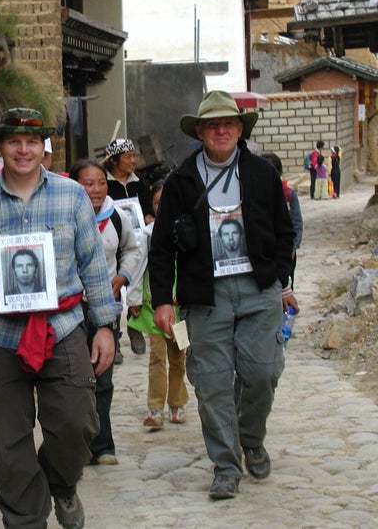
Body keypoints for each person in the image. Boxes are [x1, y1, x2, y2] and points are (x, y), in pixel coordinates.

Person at [0, 107, 121, 529]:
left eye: (31, 142)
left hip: (62, 328)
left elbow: (93, 265)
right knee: (7, 439)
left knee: (77, 423)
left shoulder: (71, 195)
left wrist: (104, 328)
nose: (23, 150)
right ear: (1, 145)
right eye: (13, 142)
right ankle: (26, 518)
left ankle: (60, 486)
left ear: (44, 146)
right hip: (0, 334)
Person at [149, 90, 299, 500]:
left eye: (228, 123)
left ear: (239, 129)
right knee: (212, 383)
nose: (221, 130)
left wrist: (280, 278)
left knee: (262, 373)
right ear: (199, 131)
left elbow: (285, 231)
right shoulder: (181, 181)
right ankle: (226, 466)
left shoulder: (261, 173)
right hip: (205, 295)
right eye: (212, 124)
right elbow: (161, 246)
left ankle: (250, 438)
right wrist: (163, 298)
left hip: (258, 289)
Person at [69, 158, 141, 465]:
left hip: (105, 307)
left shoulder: (117, 217)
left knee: (103, 376)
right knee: (74, 378)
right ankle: (76, 444)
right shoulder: (65, 217)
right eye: (88, 184)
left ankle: (103, 444)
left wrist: (122, 277)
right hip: (71, 310)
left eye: (100, 183)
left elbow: (134, 248)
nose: (96, 190)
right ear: (74, 186)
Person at [128, 180, 189, 430]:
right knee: (157, 358)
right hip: (154, 305)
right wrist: (133, 299)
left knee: (179, 357)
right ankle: (155, 409)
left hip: (180, 307)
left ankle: (177, 404)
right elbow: (138, 266)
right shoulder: (148, 234)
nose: (161, 206)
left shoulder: (186, 229)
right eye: (156, 202)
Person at [102, 138, 153, 360]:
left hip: (137, 242)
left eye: (135, 156)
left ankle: (135, 324)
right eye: (129, 157)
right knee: (112, 286)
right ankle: (114, 338)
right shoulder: (104, 183)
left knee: (137, 282)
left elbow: (149, 209)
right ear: (114, 160)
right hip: (111, 241)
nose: (134, 161)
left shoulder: (138, 181)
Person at [262, 152, 302, 289]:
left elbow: (297, 222)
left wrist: (293, 247)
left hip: (285, 248)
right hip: (265, 251)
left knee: (286, 281)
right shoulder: (253, 195)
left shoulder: (289, 194)